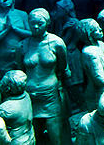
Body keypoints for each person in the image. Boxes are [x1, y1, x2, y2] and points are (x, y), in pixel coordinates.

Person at [21, 8, 70, 145]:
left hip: (49, 95)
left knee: (55, 134)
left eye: (40, 23)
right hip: (30, 95)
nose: (36, 27)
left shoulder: (57, 43)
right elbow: (21, 71)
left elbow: (62, 66)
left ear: (47, 23)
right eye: (32, 23)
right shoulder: (23, 45)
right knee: (33, 133)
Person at [0, 0, 31, 82]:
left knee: (22, 81)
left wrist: (15, 29)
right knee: (4, 82)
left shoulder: (22, 14)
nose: (5, 0)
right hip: (2, 58)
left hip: (21, 54)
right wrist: (6, 31)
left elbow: (31, 34)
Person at [0, 70, 36, 145]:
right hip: (30, 138)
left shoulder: (6, 108)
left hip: (16, 142)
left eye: (1, 83)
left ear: (7, 89)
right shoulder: (26, 95)